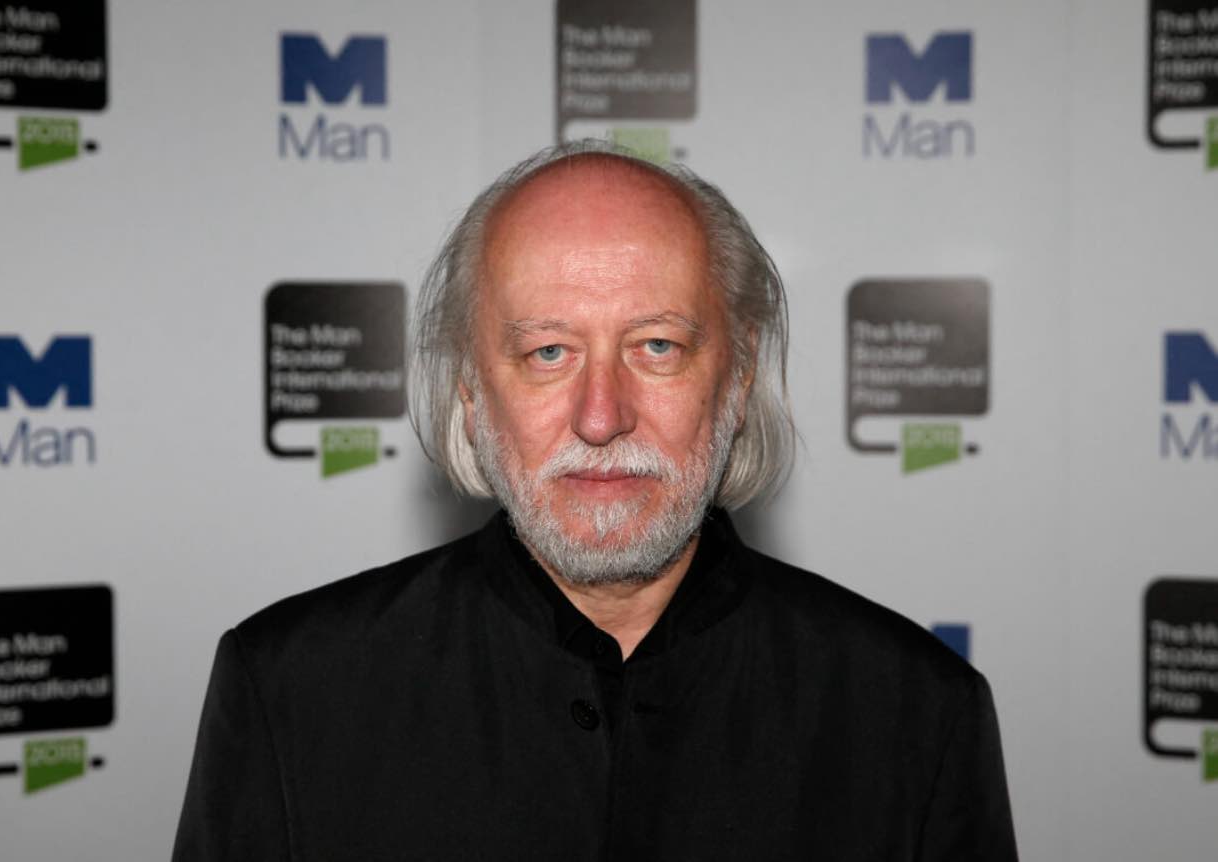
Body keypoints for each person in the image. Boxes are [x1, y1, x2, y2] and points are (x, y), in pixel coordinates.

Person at [173, 141, 1018, 861]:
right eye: (548, 352)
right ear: (470, 386)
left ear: (739, 376)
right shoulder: (290, 692)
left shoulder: (916, 713)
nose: (601, 416)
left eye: (657, 346)